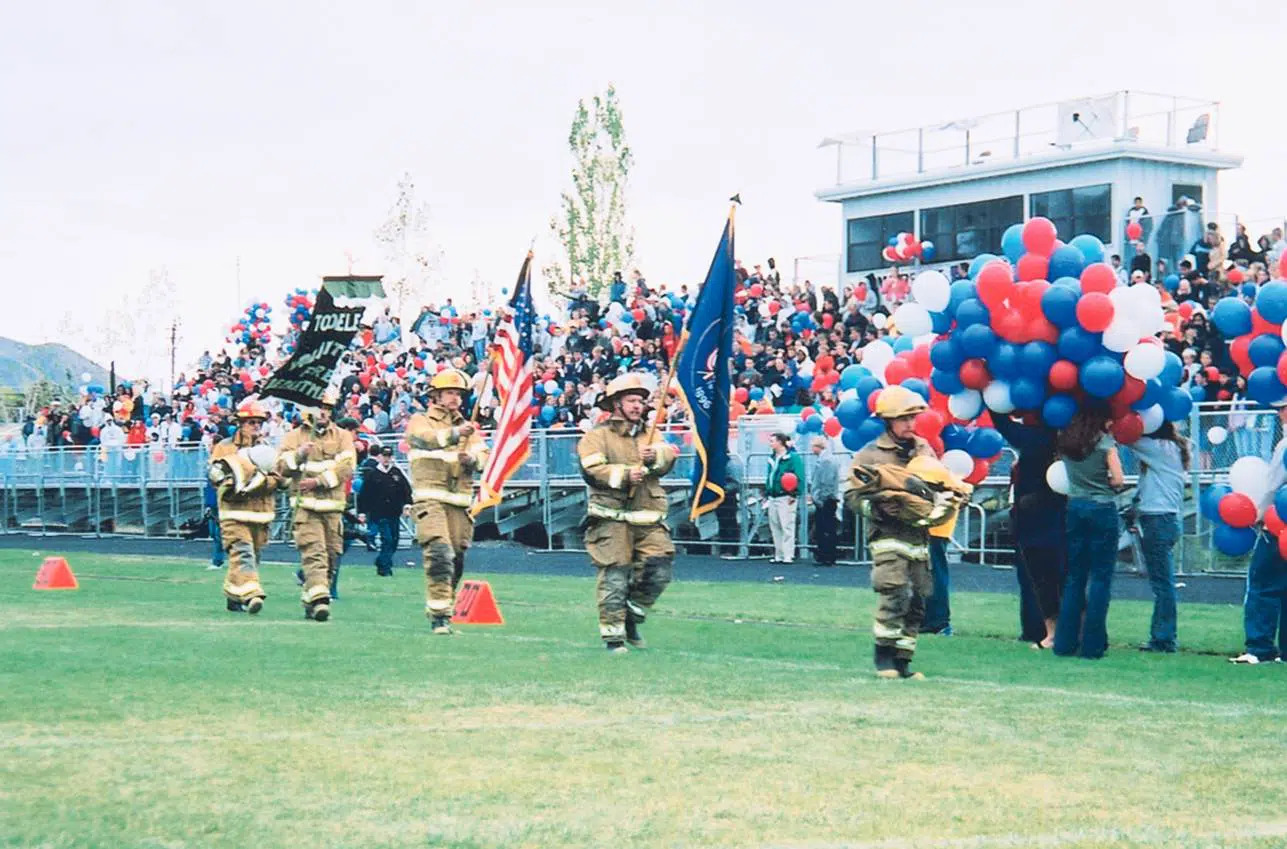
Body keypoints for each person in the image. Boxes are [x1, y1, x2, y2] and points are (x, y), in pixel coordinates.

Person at [845, 386, 968, 679]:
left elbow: (939, 483)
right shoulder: (870, 455)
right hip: (888, 535)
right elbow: (851, 498)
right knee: (895, 592)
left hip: (919, 536)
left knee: (918, 600)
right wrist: (878, 510)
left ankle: (903, 661)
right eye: (903, 419)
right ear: (887, 420)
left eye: (913, 418)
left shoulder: (924, 449)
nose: (910, 424)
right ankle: (883, 657)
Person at [576, 373, 677, 652]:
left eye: (641, 401)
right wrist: (623, 475)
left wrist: (655, 457)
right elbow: (592, 469)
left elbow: (668, 456)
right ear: (616, 404)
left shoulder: (651, 431)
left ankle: (632, 614)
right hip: (610, 518)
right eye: (632, 400)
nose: (638, 406)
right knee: (615, 577)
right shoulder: (596, 437)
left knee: (660, 568)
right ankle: (614, 637)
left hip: (648, 516)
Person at [405, 368, 489, 634]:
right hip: (430, 500)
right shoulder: (421, 420)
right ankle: (439, 616)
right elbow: (424, 440)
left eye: (458, 394)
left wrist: (473, 460)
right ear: (437, 396)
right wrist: (455, 434)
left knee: (456, 559)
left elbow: (485, 457)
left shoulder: (469, 428)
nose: (455, 398)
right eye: (449, 393)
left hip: (459, 505)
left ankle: (446, 606)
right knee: (440, 554)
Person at [275, 390, 356, 622]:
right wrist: (299, 455)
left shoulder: (342, 436)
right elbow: (280, 467)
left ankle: (311, 600)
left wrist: (318, 482)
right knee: (315, 553)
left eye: (327, 408)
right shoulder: (293, 437)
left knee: (332, 557)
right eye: (318, 407)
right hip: (306, 509)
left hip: (332, 509)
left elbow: (346, 467)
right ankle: (321, 601)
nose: (323, 412)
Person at [1052, 404, 1124, 660]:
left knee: (1075, 577)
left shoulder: (1067, 441)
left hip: (1075, 505)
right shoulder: (1106, 443)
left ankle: (1064, 643)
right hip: (1102, 507)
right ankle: (1092, 645)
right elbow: (1118, 479)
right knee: (1101, 578)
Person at [993, 416, 1066, 647]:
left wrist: (992, 407)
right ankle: (1046, 628)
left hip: (1035, 517)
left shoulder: (1039, 439)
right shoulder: (1064, 438)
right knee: (1049, 575)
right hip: (1047, 515)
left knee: (1035, 575)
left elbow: (1008, 428)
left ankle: (1037, 629)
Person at [207, 400, 281, 614]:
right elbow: (216, 476)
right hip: (233, 512)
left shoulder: (267, 449)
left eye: (258, 422)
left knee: (252, 557)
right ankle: (252, 595)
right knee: (243, 553)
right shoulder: (224, 447)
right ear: (240, 423)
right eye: (251, 422)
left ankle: (233, 595)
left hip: (260, 514)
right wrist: (238, 485)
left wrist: (261, 483)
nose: (255, 426)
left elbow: (277, 478)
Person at [1231, 396, 1287, 664]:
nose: (1280, 415)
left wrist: (1261, 516)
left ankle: (1260, 647)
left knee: (1263, 584)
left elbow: (1272, 486)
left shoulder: (1285, 445)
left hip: (1279, 525)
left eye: (1284, 410)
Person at [1130, 422, 1189, 653]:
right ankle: (1162, 635)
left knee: (1162, 583)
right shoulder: (1172, 447)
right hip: (1165, 518)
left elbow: (1127, 439)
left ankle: (1164, 638)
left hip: (1158, 519)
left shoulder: (1158, 448)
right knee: (1162, 581)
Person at [922, 460, 972, 636]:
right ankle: (934, 619)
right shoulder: (955, 482)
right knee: (934, 574)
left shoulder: (938, 477)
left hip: (932, 529)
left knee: (934, 574)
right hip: (939, 530)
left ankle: (937, 620)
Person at [357, 444, 413, 577]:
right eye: (384, 456)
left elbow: (406, 491)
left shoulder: (396, 473)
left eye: (389, 456)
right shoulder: (372, 474)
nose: (386, 459)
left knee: (394, 540)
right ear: (379, 457)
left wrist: (407, 505)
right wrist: (362, 512)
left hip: (394, 513)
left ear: (392, 457)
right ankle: (385, 569)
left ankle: (381, 561)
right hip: (379, 513)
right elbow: (364, 495)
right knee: (386, 539)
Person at [765, 432, 804, 564]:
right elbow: (770, 476)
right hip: (773, 496)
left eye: (772, 441)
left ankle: (788, 554)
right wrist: (767, 492)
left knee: (787, 525)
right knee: (775, 525)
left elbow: (799, 476)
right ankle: (779, 554)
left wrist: (794, 493)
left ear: (780, 442)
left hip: (786, 496)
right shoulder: (772, 458)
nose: (770, 443)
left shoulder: (792, 458)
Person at [807, 435, 840, 565]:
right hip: (826, 499)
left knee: (825, 529)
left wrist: (821, 498)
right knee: (826, 528)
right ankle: (826, 555)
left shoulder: (826, 461)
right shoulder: (826, 459)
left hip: (826, 500)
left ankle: (826, 556)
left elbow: (826, 482)